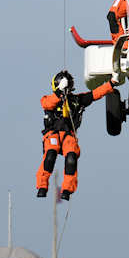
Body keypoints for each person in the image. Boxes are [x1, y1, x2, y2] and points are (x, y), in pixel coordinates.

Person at [36, 70, 116, 200]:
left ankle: (67, 189)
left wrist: (111, 83)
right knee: (50, 155)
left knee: (71, 158)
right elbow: (46, 103)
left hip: (69, 135)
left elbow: (95, 94)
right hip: (53, 134)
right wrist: (58, 94)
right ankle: (42, 186)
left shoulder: (77, 100)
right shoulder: (48, 99)